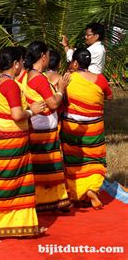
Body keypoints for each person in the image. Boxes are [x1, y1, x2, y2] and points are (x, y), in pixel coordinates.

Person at [0, 46, 47, 243]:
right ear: (15, 64)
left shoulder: (1, 81)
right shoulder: (11, 85)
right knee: (3, 183)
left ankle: (19, 224)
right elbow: (17, 115)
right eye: (22, 62)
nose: (23, 65)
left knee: (18, 184)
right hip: (9, 141)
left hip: (8, 139)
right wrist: (32, 111)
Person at [21, 41, 71, 212]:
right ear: (43, 56)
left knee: (44, 166)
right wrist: (61, 90)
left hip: (39, 125)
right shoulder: (39, 79)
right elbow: (54, 104)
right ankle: (48, 201)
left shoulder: (31, 75)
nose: (49, 58)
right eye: (48, 54)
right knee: (48, 167)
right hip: (42, 127)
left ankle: (47, 200)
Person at [60, 48, 112, 210]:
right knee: (95, 160)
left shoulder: (68, 78)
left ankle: (77, 192)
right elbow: (109, 96)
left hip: (72, 128)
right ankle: (91, 189)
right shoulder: (100, 79)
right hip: (94, 129)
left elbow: (61, 97)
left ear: (75, 62)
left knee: (73, 160)